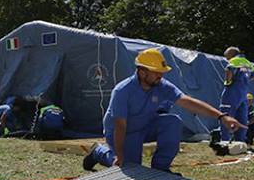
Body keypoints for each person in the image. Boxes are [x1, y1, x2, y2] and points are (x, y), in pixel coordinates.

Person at [83, 48, 244, 172]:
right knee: (128, 166)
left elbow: (188, 102)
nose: (161, 76)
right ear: (142, 72)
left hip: (144, 126)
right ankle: (99, 152)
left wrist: (221, 116)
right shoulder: (122, 91)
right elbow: (120, 126)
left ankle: (161, 168)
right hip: (123, 132)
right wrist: (120, 155)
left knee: (172, 122)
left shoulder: (161, 86)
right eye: (157, 73)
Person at [219, 46, 254, 142]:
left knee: (226, 114)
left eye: (226, 56)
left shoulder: (234, 60)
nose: (226, 58)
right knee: (242, 117)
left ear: (231, 54)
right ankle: (240, 140)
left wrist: (228, 81)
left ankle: (225, 141)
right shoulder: (247, 62)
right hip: (243, 92)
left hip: (232, 91)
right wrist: (245, 81)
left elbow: (228, 70)